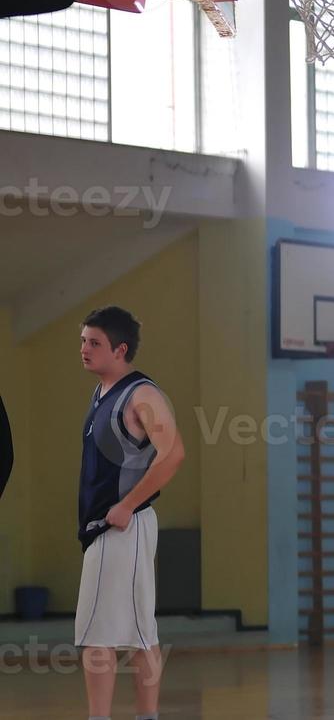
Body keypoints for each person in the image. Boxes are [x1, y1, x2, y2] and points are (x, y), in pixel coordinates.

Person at [76, 306, 186, 720]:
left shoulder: (142, 394)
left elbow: (173, 454)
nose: (84, 349)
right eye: (83, 341)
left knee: (99, 635)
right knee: (139, 633)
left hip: (123, 525)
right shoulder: (102, 392)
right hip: (106, 529)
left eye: (95, 343)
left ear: (120, 349)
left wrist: (127, 505)